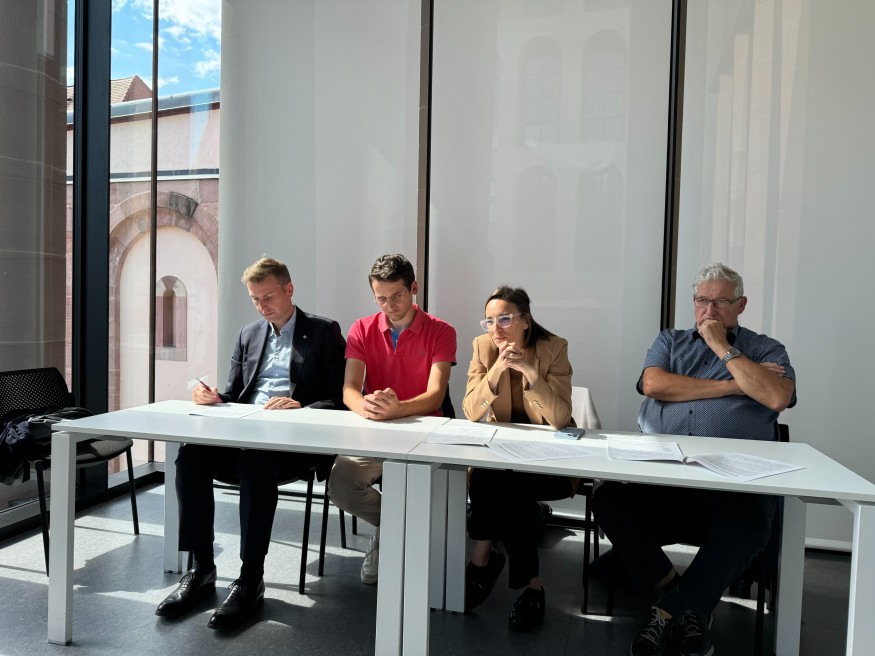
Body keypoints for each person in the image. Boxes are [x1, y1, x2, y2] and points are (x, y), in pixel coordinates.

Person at [593, 262, 796, 656]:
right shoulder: (670, 341)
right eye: (702, 301)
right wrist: (736, 385)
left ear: (741, 305)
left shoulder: (766, 349)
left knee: (752, 524)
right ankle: (686, 599)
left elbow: (775, 396)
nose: (709, 311)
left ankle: (670, 610)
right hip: (664, 474)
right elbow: (653, 383)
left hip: (732, 479)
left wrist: (724, 348)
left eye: (721, 302)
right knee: (609, 501)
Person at [154, 256, 346, 630]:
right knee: (190, 459)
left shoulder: (324, 331)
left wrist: (301, 406)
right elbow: (234, 393)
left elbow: (340, 398)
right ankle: (201, 569)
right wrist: (214, 398)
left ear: (289, 290)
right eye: (255, 299)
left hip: (292, 442)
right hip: (245, 432)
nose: (261, 306)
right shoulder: (249, 334)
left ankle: (250, 579)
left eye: (268, 297)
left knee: (255, 464)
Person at [327, 253, 456, 584]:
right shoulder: (361, 328)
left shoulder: (442, 331)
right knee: (340, 485)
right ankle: (392, 527)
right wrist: (368, 407)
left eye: (396, 296)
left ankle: (393, 538)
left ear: (414, 288)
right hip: (376, 428)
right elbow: (349, 390)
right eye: (380, 298)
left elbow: (436, 395)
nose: (389, 305)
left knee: (424, 493)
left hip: (425, 430)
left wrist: (398, 409)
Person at [462, 285, 579, 631]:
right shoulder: (483, 347)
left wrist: (529, 371)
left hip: (552, 458)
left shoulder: (554, 348)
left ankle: (482, 558)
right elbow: (471, 411)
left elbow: (559, 418)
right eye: (489, 321)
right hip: (504, 456)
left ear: (525, 321)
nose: (495, 329)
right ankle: (533, 587)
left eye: (504, 319)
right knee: (493, 479)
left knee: (506, 485)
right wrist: (496, 370)